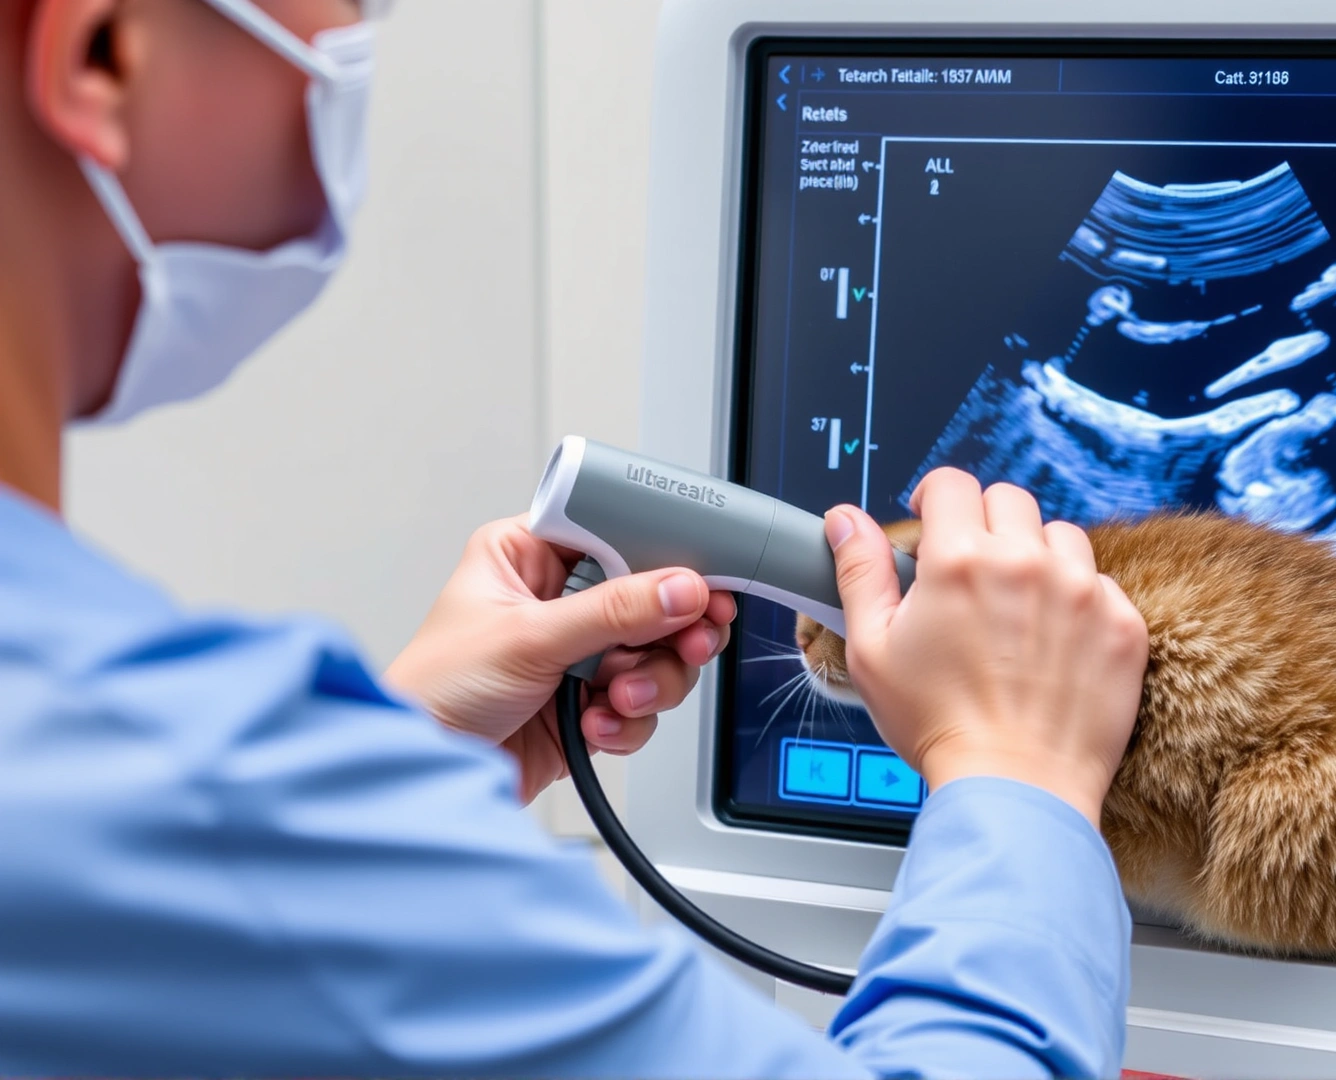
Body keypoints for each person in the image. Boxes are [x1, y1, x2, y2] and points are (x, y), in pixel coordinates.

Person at [0, 0, 1150, 1075]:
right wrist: (1022, 786)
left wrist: (385, 793)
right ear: (98, 49)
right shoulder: (188, 799)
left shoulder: (129, 783)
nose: (352, 53)